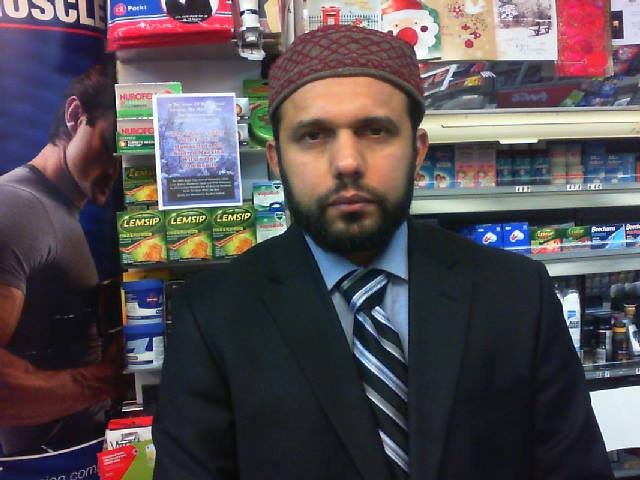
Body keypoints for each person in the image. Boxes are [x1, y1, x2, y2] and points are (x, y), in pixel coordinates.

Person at [153, 25, 613, 480]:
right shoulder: (215, 315)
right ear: (276, 159)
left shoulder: (515, 295)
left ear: (417, 150)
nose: (347, 163)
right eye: (313, 135)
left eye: (375, 131)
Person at [0, 62, 124, 457]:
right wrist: (105, 379)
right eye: (113, 142)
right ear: (75, 116)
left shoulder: (54, 210)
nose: (117, 166)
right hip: (42, 466)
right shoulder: (17, 207)